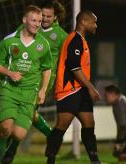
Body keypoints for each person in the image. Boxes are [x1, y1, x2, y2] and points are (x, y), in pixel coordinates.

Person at [2, 0, 68, 164]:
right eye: (42, 15)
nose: (44, 19)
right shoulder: (30, 28)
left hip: (43, 81)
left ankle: (11, 150)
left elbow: (67, 61)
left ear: (55, 17)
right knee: (27, 114)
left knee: (26, 113)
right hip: (23, 76)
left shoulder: (61, 36)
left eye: (48, 16)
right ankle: (51, 136)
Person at [0, 5, 52, 164]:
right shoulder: (9, 41)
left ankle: (7, 147)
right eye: (34, 20)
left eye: (39, 21)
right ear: (24, 20)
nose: (37, 24)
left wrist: (43, 90)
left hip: (29, 92)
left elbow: (47, 69)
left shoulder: (43, 44)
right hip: (9, 90)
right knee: (5, 128)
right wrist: (9, 73)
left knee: (19, 134)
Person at [45, 10, 101, 164]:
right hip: (69, 90)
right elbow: (74, 67)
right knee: (62, 125)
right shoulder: (74, 39)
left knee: (89, 123)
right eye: (93, 22)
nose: (95, 26)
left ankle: (95, 160)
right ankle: (50, 158)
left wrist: (86, 88)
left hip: (80, 90)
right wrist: (91, 88)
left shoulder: (81, 40)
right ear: (83, 22)